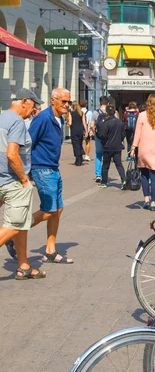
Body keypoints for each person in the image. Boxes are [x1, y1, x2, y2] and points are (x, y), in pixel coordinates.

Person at [0, 89, 46, 279]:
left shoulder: (3, 117)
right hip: (13, 181)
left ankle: (24, 265)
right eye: (33, 105)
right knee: (14, 225)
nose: (34, 110)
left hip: (2, 178)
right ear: (24, 101)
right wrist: (24, 179)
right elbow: (12, 154)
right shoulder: (17, 121)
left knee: (22, 225)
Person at [29, 87, 73, 264]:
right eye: (63, 101)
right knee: (49, 210)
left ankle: (50, 250)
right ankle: (13, 232)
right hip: (42, 168)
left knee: (58, 210)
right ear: (52, 100)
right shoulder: (43, 118)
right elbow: (28, 142)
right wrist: (28, 170)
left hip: (53, 168)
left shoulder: (59, 119)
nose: (67, 105)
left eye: (69, 102)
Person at [97, 105, 126, 189]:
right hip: (117, 146)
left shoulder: (105, 123)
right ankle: (123, 180)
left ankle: (104, 182)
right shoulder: (120, 122)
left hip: (107, 146)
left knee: (105, 165)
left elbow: (102, 135)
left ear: (106, 113)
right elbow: (123, 134)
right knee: (119, 164)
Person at [90, 96, 109, 183]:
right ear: (108, 103)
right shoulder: (111, 112)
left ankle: (98, 174)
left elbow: (91, 125)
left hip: (98, 136)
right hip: (108, 137)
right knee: (106, 155)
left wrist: (95, 132)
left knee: (98, 155)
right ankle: (104, 174)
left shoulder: (95, 112)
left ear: (99, 103)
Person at [67, 101, 88, 166]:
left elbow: (70, 123)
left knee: (75, 145)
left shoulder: (71, 113)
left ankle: (78, 160)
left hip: (74, 130)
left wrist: (67, 124)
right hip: (80, 130)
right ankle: (80, 157)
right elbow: (84, 123)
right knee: (79, 143)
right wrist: (86, 131)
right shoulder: (81, 113)